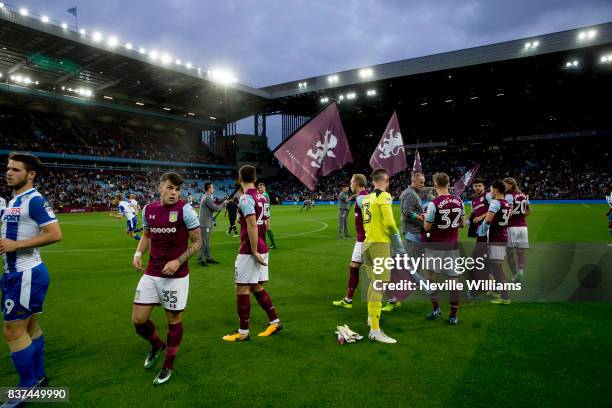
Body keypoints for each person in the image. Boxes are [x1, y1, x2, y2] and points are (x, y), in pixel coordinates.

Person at [0, 153, 62, 397]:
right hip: (15, 274)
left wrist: (16, 246)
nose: (9, 172)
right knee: (30, 326)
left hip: (25, 274)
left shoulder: (34, 200)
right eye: (8, 168)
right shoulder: (14, 200)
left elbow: (55, 233)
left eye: (15, 169)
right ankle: (38, 376)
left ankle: (27, 387)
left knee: (13, 331)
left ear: (31, 174)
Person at [132, 172, 201, 385]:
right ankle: (156, 345)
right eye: (170, 188)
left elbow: (198, 242)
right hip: (151, 272)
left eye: (177, 189)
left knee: (173, 321)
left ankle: (168, 364)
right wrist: (137, 253)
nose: (174, 193)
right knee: (138, 320)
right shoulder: (148, 209)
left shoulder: (185, 210)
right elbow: (146, 235)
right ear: (160, 186)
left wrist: (178, 261)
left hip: (176, 276)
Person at [222, 165, 282, 342]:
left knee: (241, 288)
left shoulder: (246, 198)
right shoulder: (262, 197)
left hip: (250, 249)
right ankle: (275, 321)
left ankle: (243, 331)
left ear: (239, 179)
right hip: (262, 246)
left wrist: (254, 250)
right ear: (255, 179)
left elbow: (252, 224)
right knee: (255, 286)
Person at [361, 168, 405, 344]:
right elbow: (390, 222)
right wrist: (397, 239)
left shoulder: (367, 198)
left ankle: (372, 318)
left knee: (374, 282)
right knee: (379, 284)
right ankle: (375, 330)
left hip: (367, 243)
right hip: (380, 243)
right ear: (386, 182)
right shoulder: (384, 196)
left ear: (373, 181)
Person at [423, 172, 465, 325]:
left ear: (435, 185)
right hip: (452, 247)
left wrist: (426, 218)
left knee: (430, 278)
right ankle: (453, 316)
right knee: (453, 282)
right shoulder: (459, 200)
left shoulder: (433, 204)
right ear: (448, 183)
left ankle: (436, 309)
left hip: (435, 246)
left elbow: (427, 227)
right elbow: (462, 224)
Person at [384, 172, 426, 311]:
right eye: (421, 182)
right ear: (413, 181)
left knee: (412, 263)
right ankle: (419, 284)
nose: (423, 184)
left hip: (415, 232)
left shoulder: (413, 193)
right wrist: (422, 218)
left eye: (423, 182)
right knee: (409, 264)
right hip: (412, 232)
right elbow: (407, 212)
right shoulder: (409, 194)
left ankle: (418, 283)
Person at [332, 174, 368, 309]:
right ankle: (348, 300)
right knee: (353, 267)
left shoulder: (362, 198)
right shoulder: (363, 197)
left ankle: (393, 299)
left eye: (351, 183)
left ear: (357, 183)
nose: (350, 185)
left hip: (367, 241)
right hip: (361, 241)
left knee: (375, 273)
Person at [479, 180, 512, 305]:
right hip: (501, 237)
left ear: (497, 190)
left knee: (498, 269)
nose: (490, 192)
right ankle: (495, 292)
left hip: (496, 240)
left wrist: (481, 232)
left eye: (491, 189)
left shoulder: (496, 203)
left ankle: (505, 297)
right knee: (492, 266)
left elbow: (488, 220)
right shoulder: (507, 204)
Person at [504, 177, 531, 282]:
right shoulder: (523, 195)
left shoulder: (509, 196)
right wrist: (521, 217)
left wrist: (503, 221)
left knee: (509, 252)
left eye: (505, 185)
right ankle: (521, 270)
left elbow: (509, 213)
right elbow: (530, 211)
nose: (504, 186)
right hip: (523, 227)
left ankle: (515, 274)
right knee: (521, 252)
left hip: (512, 227)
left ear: (511, 185)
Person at [197, 183, 227, 266]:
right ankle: (200, 260)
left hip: (206, 223)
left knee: (207, 242)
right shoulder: (207, 198)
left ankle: (208, 258)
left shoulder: (207, 197)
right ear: (209, 188)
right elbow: (216, 208)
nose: (213, 189)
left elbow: (212, 207)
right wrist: (224, 203)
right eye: (212, 187)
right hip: (205, 224)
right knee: (204, 242)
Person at [257, 182, 277, 249]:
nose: (259, 189)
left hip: (265, 214)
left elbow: (267, 205)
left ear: (264, 187)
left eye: (261, 187)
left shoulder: (264, 195)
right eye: (259, 187)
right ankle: (266, 243)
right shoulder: (263, 194)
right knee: (264, 229)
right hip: (265, 213)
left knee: (266, 228)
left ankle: (272, 244)